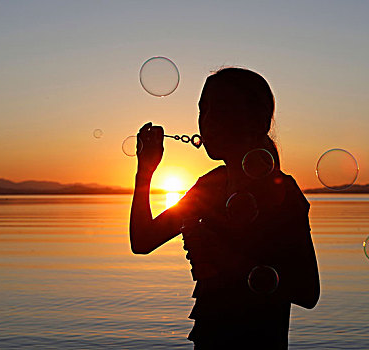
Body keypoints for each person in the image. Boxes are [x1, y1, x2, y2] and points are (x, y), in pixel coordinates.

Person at [130, 67, 320, 349]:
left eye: (218, 110)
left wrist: (231, 260)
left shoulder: (281, 192)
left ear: (252, 121)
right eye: (201, 110)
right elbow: (143, 240)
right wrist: (145, 171)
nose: (205, 122)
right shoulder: (208, 187)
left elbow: (307, 291)